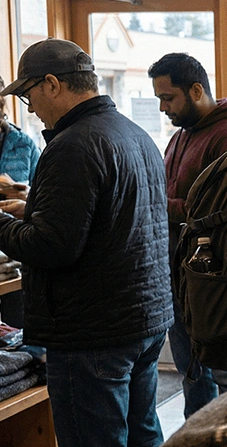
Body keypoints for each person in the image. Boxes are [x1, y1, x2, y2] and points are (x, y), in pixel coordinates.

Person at [0, 38, 172, 447]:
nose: (32, 109)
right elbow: (110, 215)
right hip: (143, 318)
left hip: (93, 332)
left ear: (53, 84)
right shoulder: (134, 134)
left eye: (29, 96)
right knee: (143, 433)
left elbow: (52, 246)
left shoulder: (71, 144)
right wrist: (34, 207)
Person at [148, 52, 227, 418]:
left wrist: (159, 205)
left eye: (168, 98)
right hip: (182, 278)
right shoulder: (182, 135)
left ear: (196, 90)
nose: (164, 107)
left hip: (218, 285)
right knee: (193, 376)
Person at [0, 76, 41, 330]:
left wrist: (27, 194)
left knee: (18, 330)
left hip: (15, 254)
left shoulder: (24, 144)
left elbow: (44, 192)